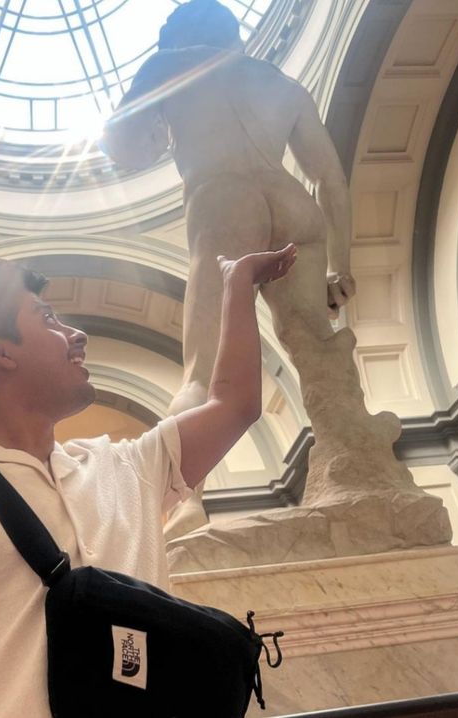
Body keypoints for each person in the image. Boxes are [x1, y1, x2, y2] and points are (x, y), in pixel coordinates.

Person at [0, 243, 297, 717]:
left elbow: (235, 405)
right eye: (48, 319)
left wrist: (238, 284)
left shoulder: (126, 467)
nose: (77, 334)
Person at [101, 0, 356, 538]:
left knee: (201, 370)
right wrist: (342, 265)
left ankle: (183, 502)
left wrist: (154, 113)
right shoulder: (280, 83)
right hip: (294, 208)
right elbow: (330, 180)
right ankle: (358, 472)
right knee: (318, 355)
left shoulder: (170, 67)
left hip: (224, 202)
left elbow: (122, 147)